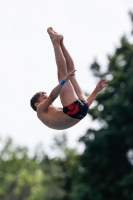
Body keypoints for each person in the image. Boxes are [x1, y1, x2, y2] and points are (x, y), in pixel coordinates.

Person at [30, 27, 108, 130]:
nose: (47, 98)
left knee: (71, 74)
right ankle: (55, 41)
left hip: (81, 110)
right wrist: (62, 81)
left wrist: (95, 91)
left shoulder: (55, 110)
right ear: (37, 104)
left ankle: (61, 42)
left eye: (45, 97)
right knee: (62, 74)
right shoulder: (40, 110)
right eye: (44, 98)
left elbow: (82, 106)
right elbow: (53, 96)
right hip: (76, 110)